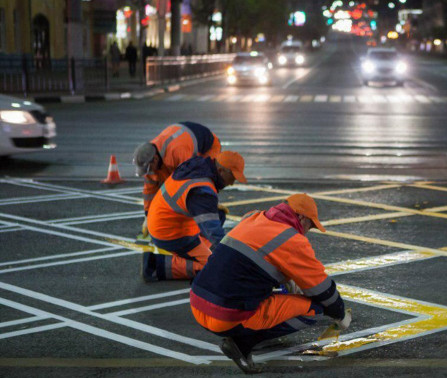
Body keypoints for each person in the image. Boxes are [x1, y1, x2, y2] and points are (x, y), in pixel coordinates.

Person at [189, 194, 351, 374]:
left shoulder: (252, 217)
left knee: (259, 286)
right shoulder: (292, 240)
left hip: (197, 303)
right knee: (316, 310)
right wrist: (339, 313)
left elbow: (249, 263)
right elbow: (322, 290)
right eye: (309, 225)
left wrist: (287, 279)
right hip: (225, 316)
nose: (307, 231)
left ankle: (246, 333)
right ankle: (244, 343)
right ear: (301, 217)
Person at [143, 151, 247, 282]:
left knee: (218, 215)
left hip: (163, 220)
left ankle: (199, 250)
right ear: (220, 170)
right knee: (217, 267)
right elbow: (214, 233)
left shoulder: (200, 165)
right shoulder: (202, 191)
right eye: (232, 177)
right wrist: (233, 257)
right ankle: (156, 265)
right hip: (170, 233)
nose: (232, 183)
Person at [132, 122, 222, 236]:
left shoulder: (178, 152)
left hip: (208, 147)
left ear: (155, 159)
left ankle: (210, 231)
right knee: (171, 184)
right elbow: (149, 191)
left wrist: (208, 200)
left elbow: (193, 182)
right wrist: (148, 217)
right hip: (181, 140)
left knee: (201, 181)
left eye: (149, 169)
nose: (148, 173)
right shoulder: (149, 156)